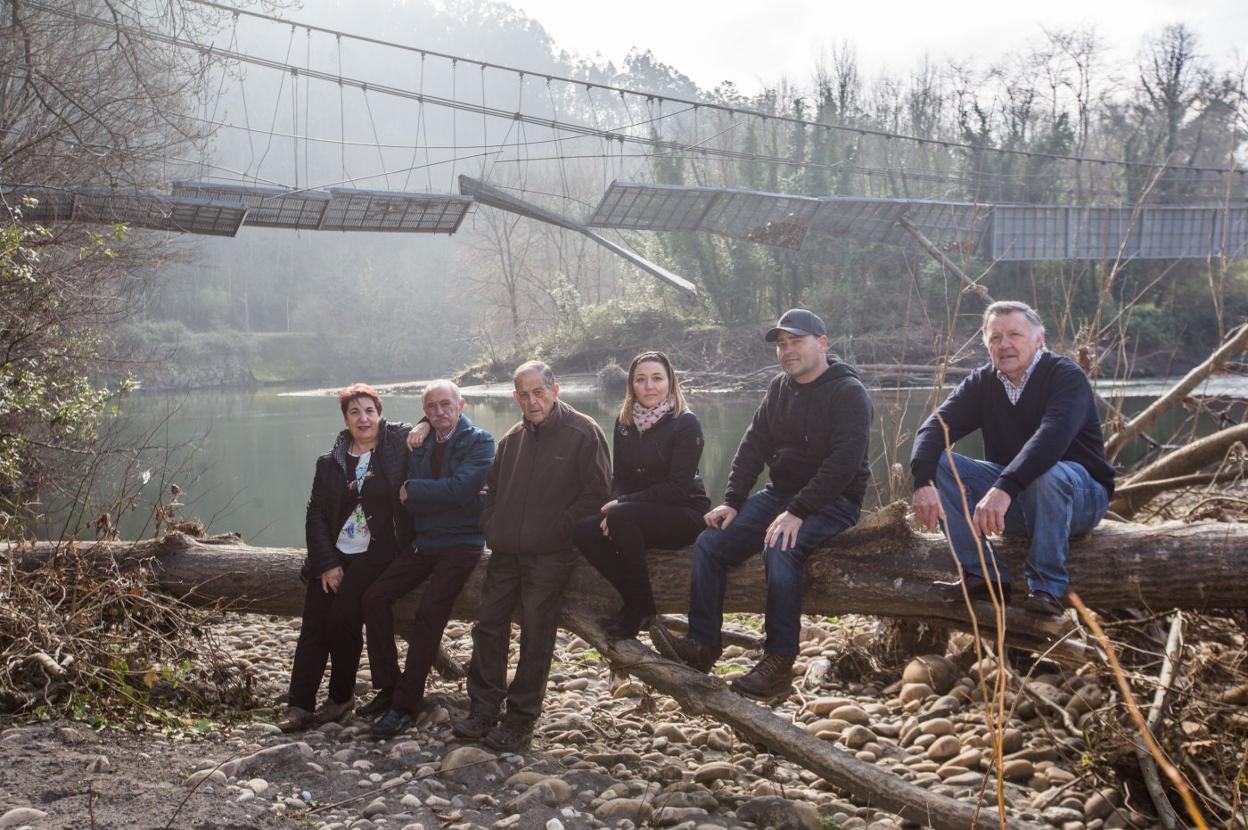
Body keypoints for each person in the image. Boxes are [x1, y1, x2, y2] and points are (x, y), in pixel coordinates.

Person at [650, 309, 872, 701]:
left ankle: (779, 663)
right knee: (710, 543)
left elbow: (844, 462)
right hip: (781, 495)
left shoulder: (848, 392)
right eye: (782, 344)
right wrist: (733, 501)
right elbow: (753, 446)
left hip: (834, 500)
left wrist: (798, 512)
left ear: (822, 343)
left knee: (780, 545)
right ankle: (703, 644)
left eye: (796, 341)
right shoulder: (779, 388)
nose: (787, 350)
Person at [909, 300, 1114, 617]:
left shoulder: (1065, 377)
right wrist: (922, 481)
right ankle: (983, 575)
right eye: (995, 337)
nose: (1004, 344)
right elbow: (934, 428)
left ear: (1039, 338)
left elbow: (1051, 438)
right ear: (987, 345)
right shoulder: (983, 382)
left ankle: (1047, 588)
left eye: (1015, 335)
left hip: (1081, 499)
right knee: (939, 464)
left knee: (1048, 473)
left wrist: (1004, 487)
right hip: (1019, 501)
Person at [451, 361, 610, 752]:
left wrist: (558, 530)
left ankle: (520, 721)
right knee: (488, 626)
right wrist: (493, 527)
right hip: (506, 551)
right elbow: (490, 491)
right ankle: (483, 709)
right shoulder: (512, 439)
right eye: (524, 394)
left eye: (539, 392)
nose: (532, 401)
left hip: (551, 553)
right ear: (515, 397)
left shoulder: (583, 432)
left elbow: (597, 494)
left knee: (537, 632)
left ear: (555, 391)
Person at [359, 380, 495, 738]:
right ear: (425, 411)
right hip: (425, 540)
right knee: (373, 598)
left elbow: (460, 489)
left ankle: (404, 706)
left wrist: (418, 491)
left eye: (446, 404)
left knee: (429, 613)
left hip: (463, 542)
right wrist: (439, 493)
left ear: (461, 405)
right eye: (431, 407)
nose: (439, 411)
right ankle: (388, 687)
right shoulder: (420, 443)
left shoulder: (481, 441)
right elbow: (420, 497)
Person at [278, 384, 412, 733]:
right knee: (313, 626)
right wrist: (326, 563)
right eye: (354, 412)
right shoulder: (330, 463)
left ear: (380, 415)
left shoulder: (395, 449)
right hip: (335, 554)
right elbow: (316, 516)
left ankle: (340, 698)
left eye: (369, 411)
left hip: (378, 553)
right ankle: (299, 705)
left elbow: (427, 421)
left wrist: (427, 423)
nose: (363, 418)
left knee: (341, 618)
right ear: (345, 420)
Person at [572, 351, 710, 640]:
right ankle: (639, 600)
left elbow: (677, 488)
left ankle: (636, 611)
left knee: (621, 517)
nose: (649, 386)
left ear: (670, 382)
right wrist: (616, 505)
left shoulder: (685, 423)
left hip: (684, 512)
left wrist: (622, 506)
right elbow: (621, 477)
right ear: (631, 385)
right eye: (641, 380)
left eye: (657, 378)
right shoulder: (624, 423)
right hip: (636, 515)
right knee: (583, 530)